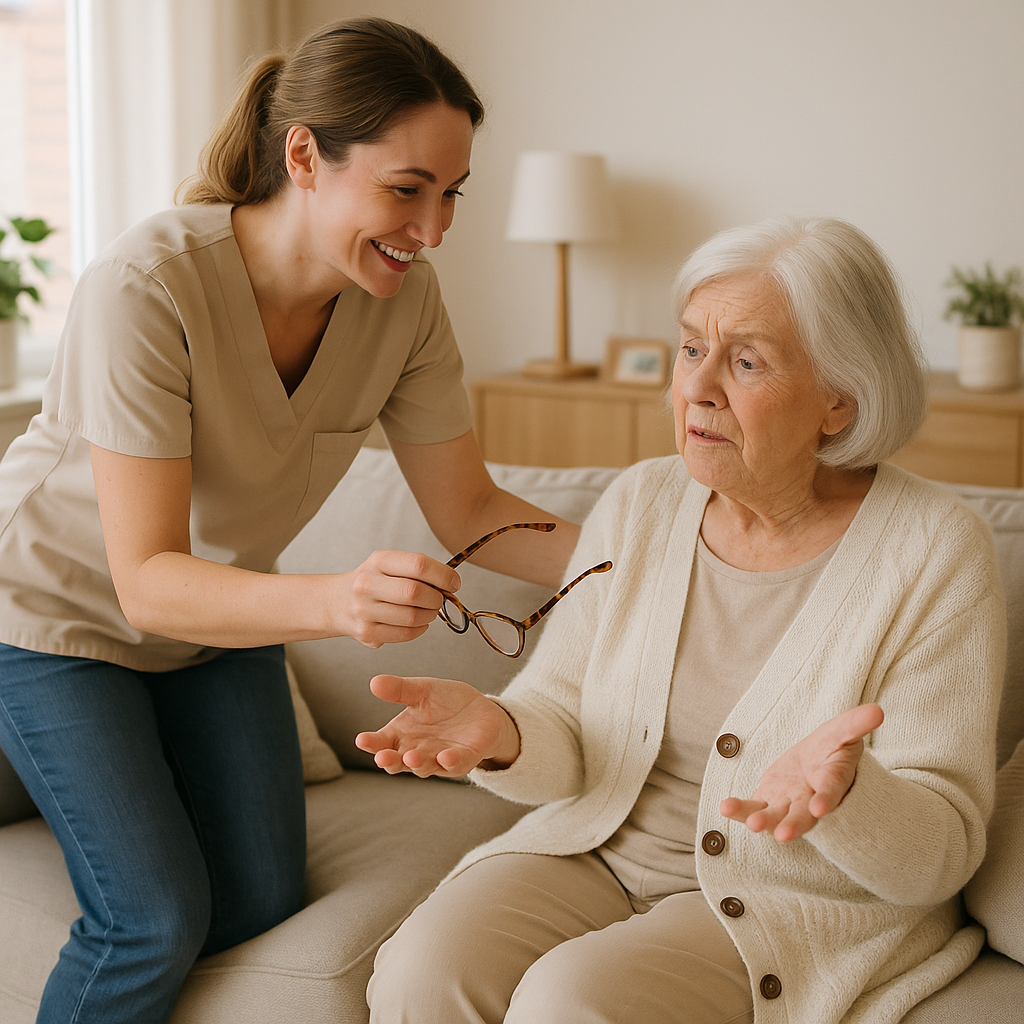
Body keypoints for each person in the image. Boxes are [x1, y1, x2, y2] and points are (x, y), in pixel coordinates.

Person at [0, 18, 581, 1024]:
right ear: (303, 155)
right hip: (59, 619)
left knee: (261, 898)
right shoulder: (148, 287)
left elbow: (473, 509)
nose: (433, 229)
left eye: (451, 195)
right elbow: (144, 579)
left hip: (219, 628)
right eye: (407, 189)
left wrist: (665, 555)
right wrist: (336, 599)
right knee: (151, 917)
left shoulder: (406, 304)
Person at [358, 217, 1007, 1024]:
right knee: (420, 973)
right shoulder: (642, 501)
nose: (697, 387)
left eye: (745, 361)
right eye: (692, 348)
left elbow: (942, 850)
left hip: (781, 896)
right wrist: (502, 731)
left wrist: (850, 797)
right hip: (595, 850)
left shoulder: (936, 549)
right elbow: (563, 723)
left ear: (839, 402)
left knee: (570, 1006)